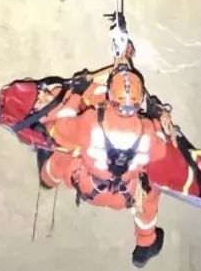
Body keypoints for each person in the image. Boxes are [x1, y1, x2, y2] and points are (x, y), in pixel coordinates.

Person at [33, 55, 173, 265]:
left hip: (87, 186)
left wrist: (78, 92)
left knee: (62, 158)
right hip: (124, 197)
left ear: (109, 96)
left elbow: (61, 129)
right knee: (150, 191)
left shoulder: (91, 122)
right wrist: (157, 120)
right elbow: (162, 150)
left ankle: (46, 179)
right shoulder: (148, 132)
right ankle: (145, 243)